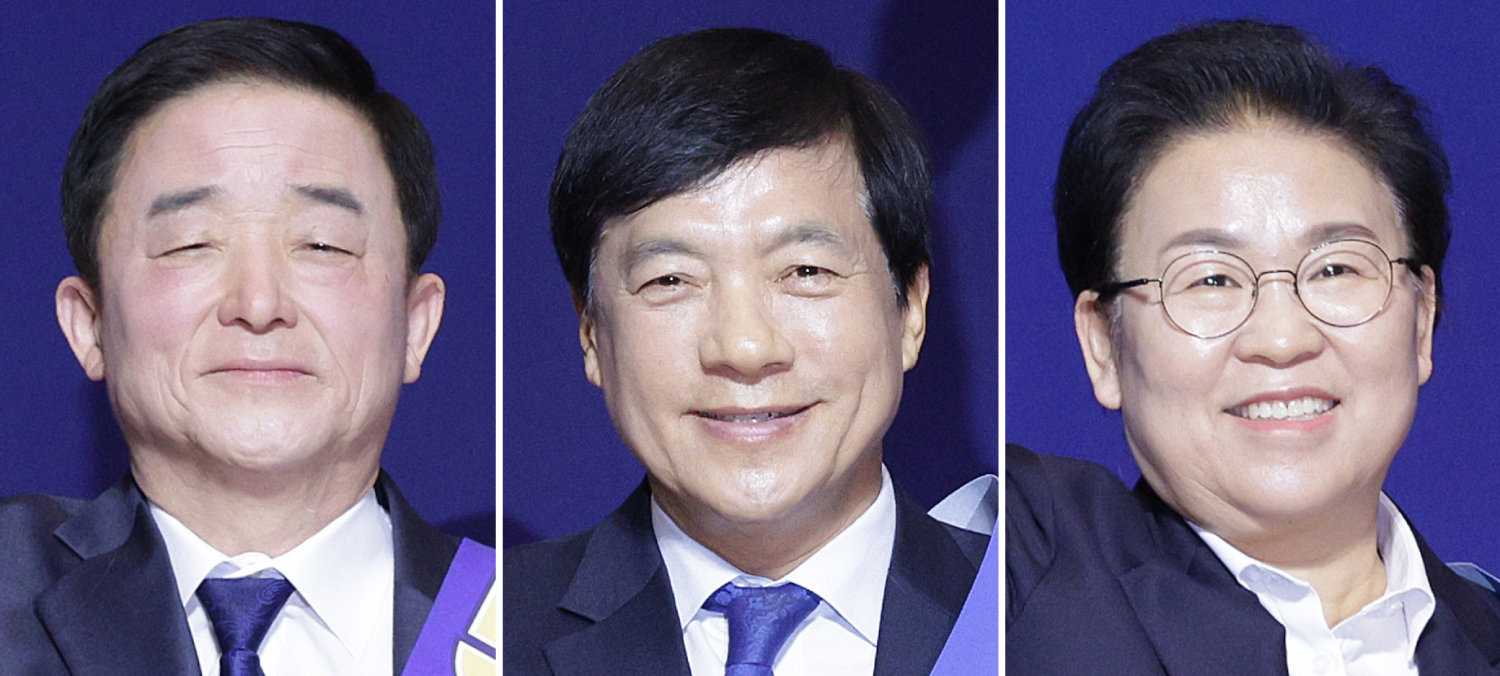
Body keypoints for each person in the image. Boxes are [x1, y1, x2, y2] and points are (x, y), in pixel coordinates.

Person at [1006, 19, 1500, 674]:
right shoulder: (1019, 569)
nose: (1282, 339)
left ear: (1420, 320)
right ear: (1103, 341)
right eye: (1211, 279)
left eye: (1335, 269)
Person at [504, 27, 989, 675]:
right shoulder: (477, 640)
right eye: (671, 280)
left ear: (911, 310)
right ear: (591, 330)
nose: (744, 346)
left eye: (805, 271)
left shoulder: (1035, 619)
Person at [0, 17, 458, 674]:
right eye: (191, 244)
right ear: (89, 323)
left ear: (415, 323)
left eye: (322, 244)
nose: (259, 303)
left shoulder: (518, 625)